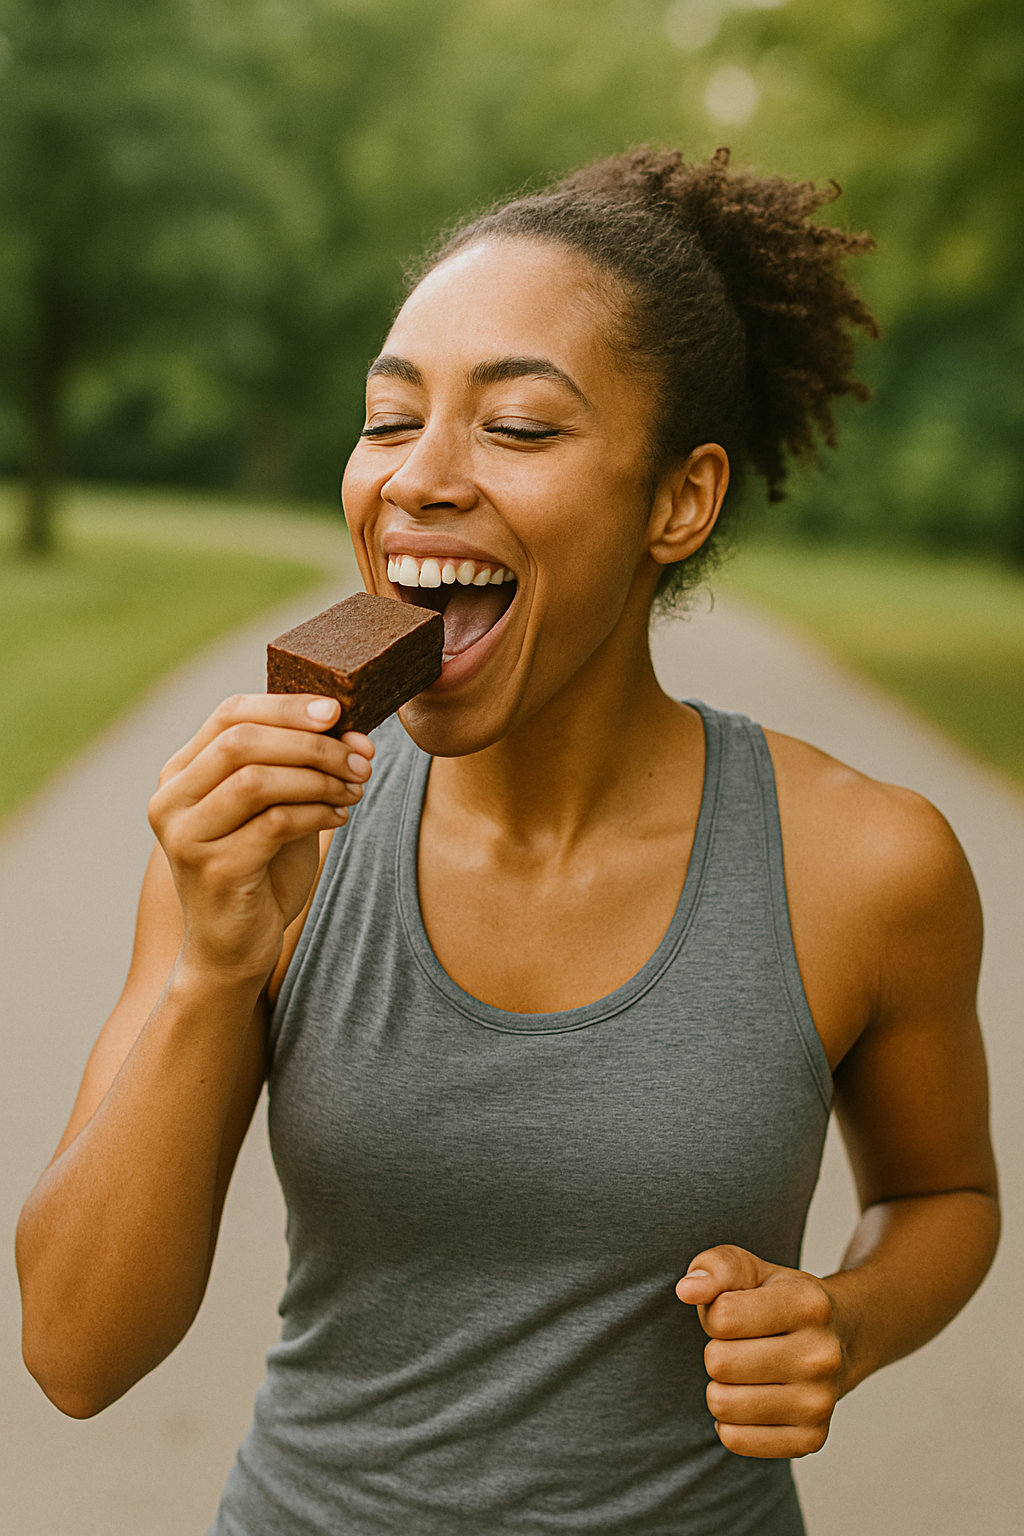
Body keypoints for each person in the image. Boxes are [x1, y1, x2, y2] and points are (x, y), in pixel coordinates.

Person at [17, 148, 999, 1536]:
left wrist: (846, 1320)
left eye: (520, 429)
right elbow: (73, 1353)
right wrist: (211, 971)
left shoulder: (870, 865)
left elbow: (945, 1195)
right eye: (387, 419)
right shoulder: (256, 840)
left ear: (681, 499)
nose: (419, 479)